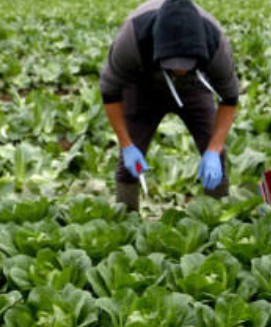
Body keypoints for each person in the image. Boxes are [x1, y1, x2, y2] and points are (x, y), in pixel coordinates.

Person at [99, 0, 240, 211]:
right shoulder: (133, 37)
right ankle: (125, 223)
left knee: (216, 156)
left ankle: (217, 219)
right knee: (128, 164)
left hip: (195, 87)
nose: (179, 70)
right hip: (142, 86)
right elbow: (109, 92)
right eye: (173, 64)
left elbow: (230, 98)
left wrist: (214, 148)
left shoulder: (214, 42)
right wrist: (127, 145)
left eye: (185, 63)